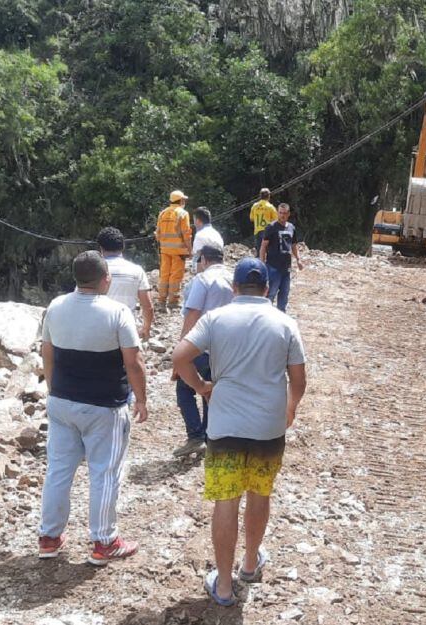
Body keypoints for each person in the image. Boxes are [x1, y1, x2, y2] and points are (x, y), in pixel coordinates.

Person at [172, 257, 307, 606]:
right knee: (260, 493)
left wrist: (202, 386)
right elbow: (299, 379)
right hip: (267, 426)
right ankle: (249, 565)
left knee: (226, 499)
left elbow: (179, 356)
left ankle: (224, 587)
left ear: (234, 288)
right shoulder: (284, 323)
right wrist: (289, 409)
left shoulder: (215, 319)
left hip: (226, 425)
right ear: (266, 288)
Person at [38, 251, 148, 565]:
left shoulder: (56, 307)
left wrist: (52, 389)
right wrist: (141, 399)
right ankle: (104, 541)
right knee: (105, 473)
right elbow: (134, 362)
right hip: (104, 406)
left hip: (61, 401)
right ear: (106, 279)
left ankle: (49, 537)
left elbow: (47, 353)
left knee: (58, 471)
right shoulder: (117, 312)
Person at [172, 243, 233, 458]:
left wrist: (180, 351)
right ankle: (209, 437)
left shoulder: (202, 280)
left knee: (185, 388)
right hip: (225, 348)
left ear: (204, 260)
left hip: (200, 346)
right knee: (212, 390)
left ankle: (195, 436)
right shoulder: (234, 279)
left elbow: (192, 316)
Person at [97, 227, 153, 338]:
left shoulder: (94, 271)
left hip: (99, 328)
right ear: (123, 246)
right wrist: (146, 328)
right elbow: (148, 306)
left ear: (101, 248)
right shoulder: (137, 270)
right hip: (127, 328)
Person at [259, 203, 303, 313]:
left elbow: (293, 245)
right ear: (277, 213)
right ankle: (265, 317)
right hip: (273, 267)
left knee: (284, 295)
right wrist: (261, 263)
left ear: (288, 214)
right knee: (270, 294)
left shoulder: (291, 228)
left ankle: (281, 317)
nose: (282, 215)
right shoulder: (271, 227)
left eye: (284, 213)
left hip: (286, 268)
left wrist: (298, 259)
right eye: (280, 213)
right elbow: (263, 246)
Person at [154, 190, 193, 309]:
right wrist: (190, 250)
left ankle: (161, 301)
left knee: (164, 275)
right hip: (178, 251)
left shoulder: (162, 213)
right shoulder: (183, 214)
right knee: (175, 276)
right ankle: (173, 301)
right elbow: (186, 234)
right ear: (181, 200)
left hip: (165, 250)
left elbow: (158, 233)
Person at [190, 207, 224, 275]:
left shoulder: (200, 235)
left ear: (198, 220)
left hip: (206, 272)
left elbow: (196, 256)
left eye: (194, 219)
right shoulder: (216, 234)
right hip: (220, 269)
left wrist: (193, 270)